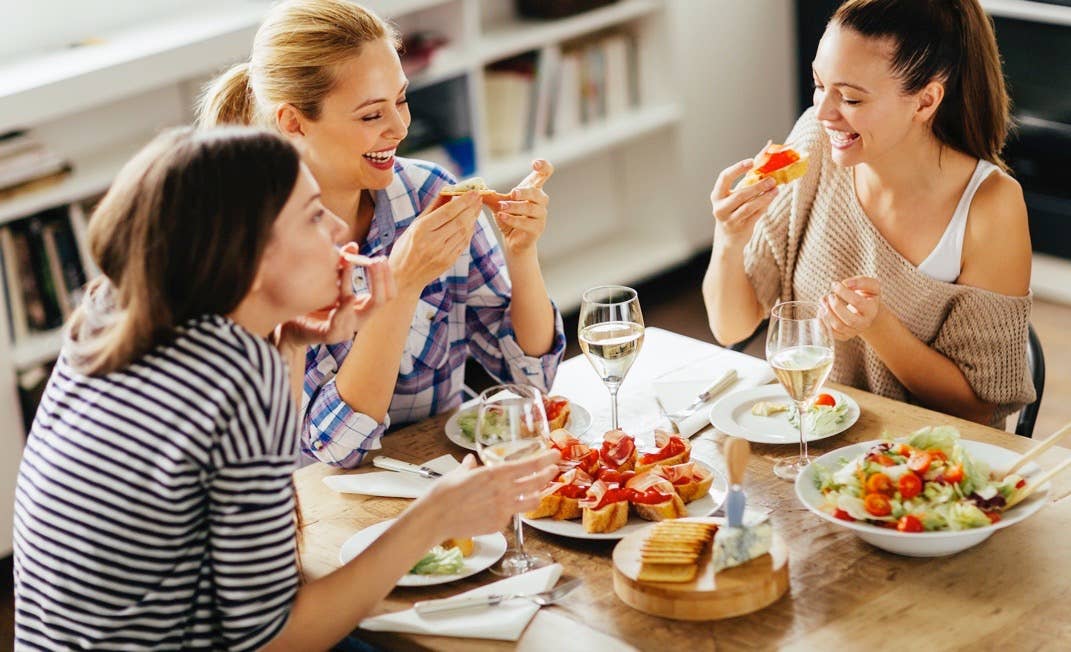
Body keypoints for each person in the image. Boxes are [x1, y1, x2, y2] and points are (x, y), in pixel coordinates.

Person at [12, 127, 560, 650]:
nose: (337, 232)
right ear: (246, 259)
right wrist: (431, 520)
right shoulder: (233, 379)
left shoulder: (110, 314)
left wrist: (291, 341)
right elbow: (279, 638)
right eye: (311, 217)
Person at [197, 0, 566, 468]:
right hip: (324, 503)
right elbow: (335, 449)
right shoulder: (257, 252)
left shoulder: (430, 192)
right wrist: (403, 282)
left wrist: (522, 253)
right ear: (294, 122)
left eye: (402, 99)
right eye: (372, 115)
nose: (399, 127)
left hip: (442, 468)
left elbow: (530, 379)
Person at [702, 0, 1035, 427]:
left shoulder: (990, 206)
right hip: (812, 437)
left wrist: (877, 326)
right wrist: (730, 240)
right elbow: (731, 328)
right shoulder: (813, 144)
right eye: (819, 85)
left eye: (851, 98)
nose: (824, 112)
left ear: (926, 101)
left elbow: (979, 406)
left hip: (920, 469)